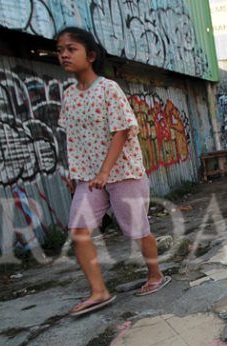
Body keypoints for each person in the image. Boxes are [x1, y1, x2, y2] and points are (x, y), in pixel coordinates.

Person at [56, 27, 170, 316]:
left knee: (137, 229)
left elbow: (121, 130)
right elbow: (70, 135)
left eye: (71, 49)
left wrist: (106, 171)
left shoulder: (108, 89)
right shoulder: (69, 96)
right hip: (88, 177)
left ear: (90, 56)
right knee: (78, 230)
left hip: (123, 172)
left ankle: (155, 274)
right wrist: (70, 171)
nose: (64, 55)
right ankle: (99, 291)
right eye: (60, 50)